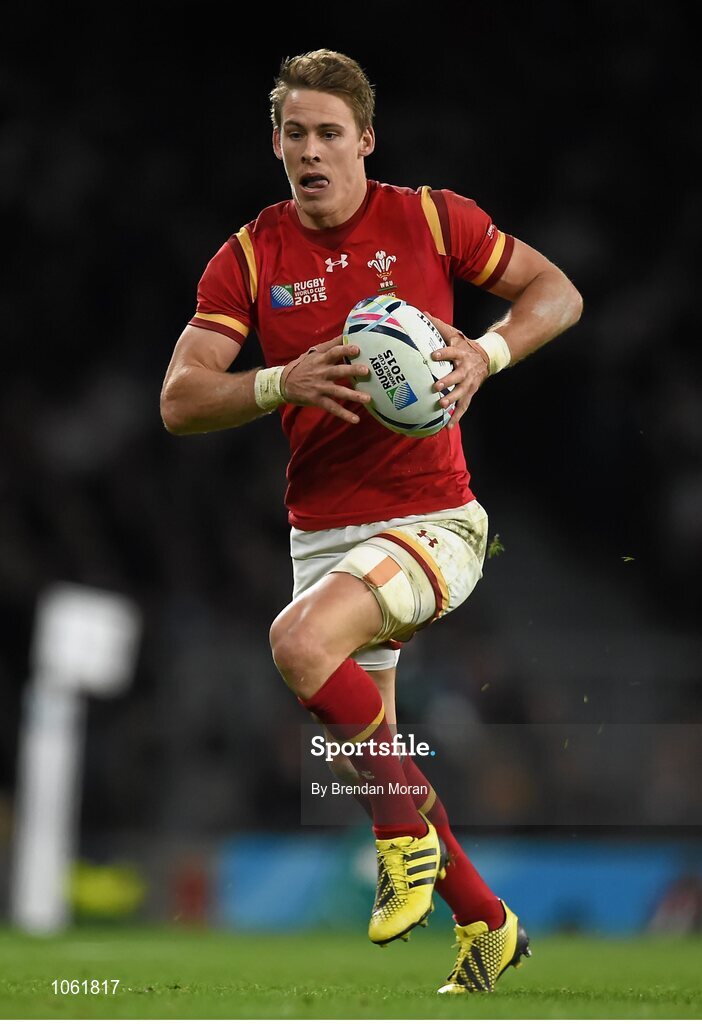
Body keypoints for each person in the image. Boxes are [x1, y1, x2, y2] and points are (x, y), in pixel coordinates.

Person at [160, 49, 582, 994]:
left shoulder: (431, 217)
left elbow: (559, 293)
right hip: (324, 537)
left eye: (330, 134)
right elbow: (179, 401)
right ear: (275, 144)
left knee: (299, 644)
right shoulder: (251, 255)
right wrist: (279, 380)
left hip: (435, 520)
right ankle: (490, 924)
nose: (312, 150)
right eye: (295, 134)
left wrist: (488, 353)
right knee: (384, 762)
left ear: (365, 140)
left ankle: (403, 852)